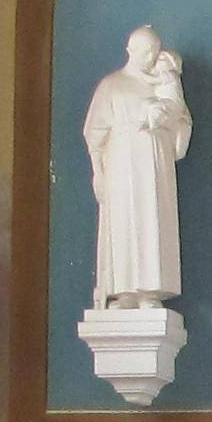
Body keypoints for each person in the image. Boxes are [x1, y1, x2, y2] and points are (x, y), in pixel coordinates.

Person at [80, 25, 191, 305]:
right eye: (145, 51)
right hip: (120, 159)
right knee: (123, 221)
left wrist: (166, 99)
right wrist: (98, 173)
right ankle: (126, 290)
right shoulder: (112, 85)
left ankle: (149, 291)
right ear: (131, 51)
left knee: (152, 216)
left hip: (154, 161)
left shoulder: (161, 85)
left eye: (154, 51)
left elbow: (180, 122)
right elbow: (95, 133)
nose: (150, 56)